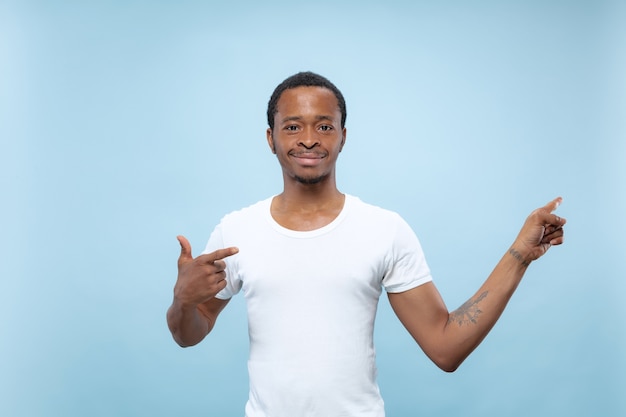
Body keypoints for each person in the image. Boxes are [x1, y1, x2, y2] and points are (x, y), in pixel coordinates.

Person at [166, 71, 566, 417]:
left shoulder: (384, 229)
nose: (308, 139)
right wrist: (182, 301)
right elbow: (188, 334)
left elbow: (446, 348)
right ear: (270, 139)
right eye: (292, 126)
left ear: (343, 137)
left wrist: (519, 256)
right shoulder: (237, 230)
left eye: (324, 126)